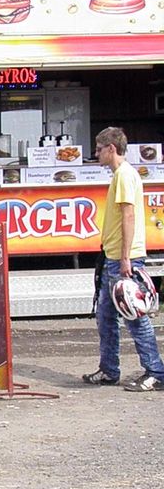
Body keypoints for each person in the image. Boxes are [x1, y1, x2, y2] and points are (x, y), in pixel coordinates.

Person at [82, 127, 164, 392]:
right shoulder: (121, 175)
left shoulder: (125, 175)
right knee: (106, 317)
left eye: (99, 149)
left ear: (111, 148)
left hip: (123, 258)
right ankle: (109, 369)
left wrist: (126, 257)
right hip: (113, 256)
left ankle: (155, 372)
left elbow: (128, 215)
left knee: (134, 316)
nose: (96, 154)